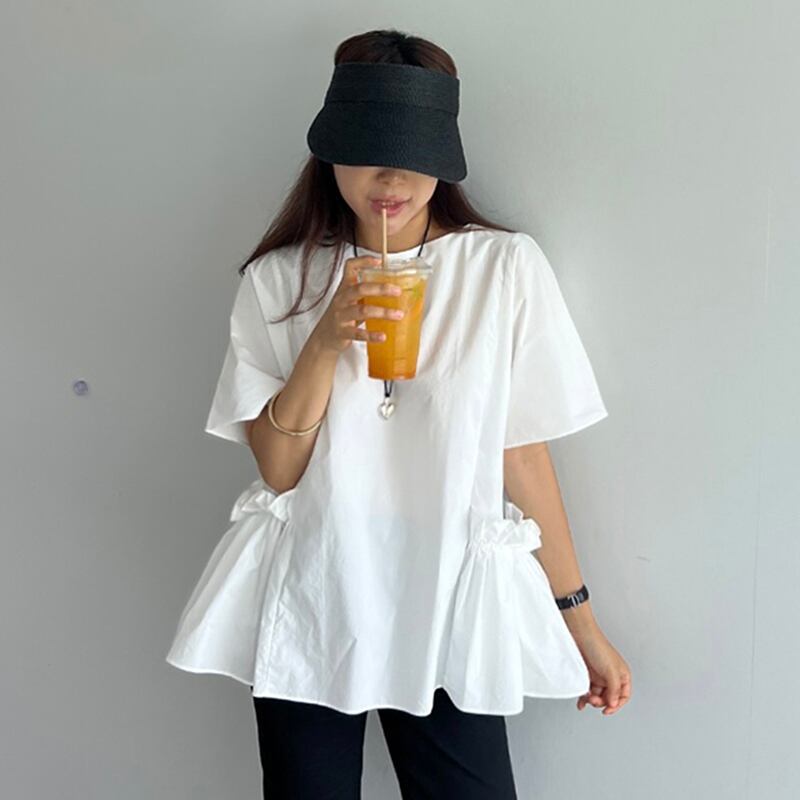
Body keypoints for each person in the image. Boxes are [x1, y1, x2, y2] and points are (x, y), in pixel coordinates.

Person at [166, 28, 632, 799]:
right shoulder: (278, 282)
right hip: (316, 591)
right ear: (330, 154)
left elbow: (520, 455)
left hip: (450, 597)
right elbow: (279, 471)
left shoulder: (501, 269)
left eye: (415, 153)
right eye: (369, 152)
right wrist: (325, 339)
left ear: (445, 158)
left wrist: (582, 626)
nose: (392, 178)